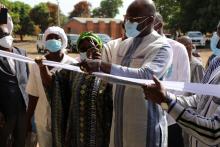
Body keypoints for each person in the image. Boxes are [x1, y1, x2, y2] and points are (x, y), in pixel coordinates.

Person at [79, 0, 173, 146]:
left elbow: (145, 76)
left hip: (145, 127)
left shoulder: (161, 46)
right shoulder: (123, 45)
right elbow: (109, 76)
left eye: (134, 19)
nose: (128, 22)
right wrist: (94, 66)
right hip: (119, 126)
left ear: (150, 20)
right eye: (126, 18)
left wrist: (101, 65)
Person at [35, 32, 113, 147]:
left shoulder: (109, 71)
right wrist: (42, 67)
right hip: (76, 135)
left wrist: (99, 65)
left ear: (100, 48)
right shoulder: (73, 70)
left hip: (101, 135)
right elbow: (53, 84)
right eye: (83, 48)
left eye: (92, 47)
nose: (88, 51)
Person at [143, 56, 220, 147]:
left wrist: (166, 102)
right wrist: (163, 100)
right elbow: (198, 101)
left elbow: (214, 133)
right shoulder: (217, 66)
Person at [26, 26, 78, 147]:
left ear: (63, 41)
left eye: (56, 37)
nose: (53, 40)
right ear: (45, 41)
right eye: (50, 37)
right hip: (42, 120)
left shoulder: (72, 64)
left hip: (64, 121)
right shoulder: (36, 65)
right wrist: (28, 118)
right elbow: (33, 94)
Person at [154, 12, 190, 147]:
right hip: (146, 121)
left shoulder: (178, 49)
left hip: (170, 121)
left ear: (158, 26)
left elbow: (183, 89)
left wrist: (164, 106)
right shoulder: (141, 50)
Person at [0, 6, 29, 147]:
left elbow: (27, 82)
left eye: (5, 34)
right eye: (1, 35)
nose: (4, 37)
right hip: (3, 114)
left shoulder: (22, 53)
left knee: (21, 142)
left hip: (23, 111)